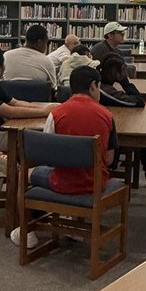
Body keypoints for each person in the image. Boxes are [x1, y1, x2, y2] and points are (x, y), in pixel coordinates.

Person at [97, 54, 146, 195]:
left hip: (111, 126)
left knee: (143, 129)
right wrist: (125, 82)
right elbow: (138, 101)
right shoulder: (107, 92)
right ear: (117, 73)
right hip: (112, 135)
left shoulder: (101, 87)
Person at [36, 65, 117, 194]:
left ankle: (28, 212)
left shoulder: (56, 114)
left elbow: (47, 154)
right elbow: (108, 159)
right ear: (93, 86)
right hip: (96, 183)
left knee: (26, 172)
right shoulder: (107, 116)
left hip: (62, 182)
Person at [3, 23, 57, 90]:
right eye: (46, 43)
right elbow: (53, 89)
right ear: (39, 42)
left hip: (10, 99)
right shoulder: (47, 61)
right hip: (37, 100)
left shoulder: (6, 56)